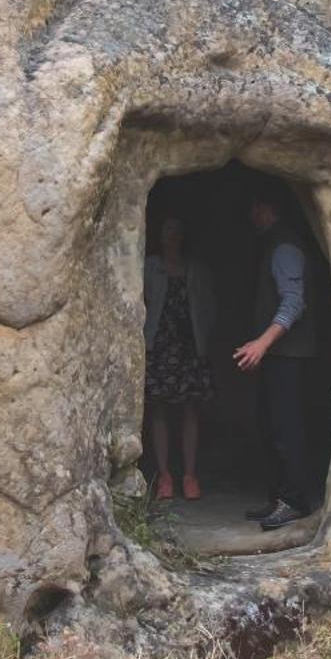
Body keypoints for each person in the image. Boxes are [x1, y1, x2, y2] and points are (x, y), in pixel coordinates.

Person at [233, 191, 318, 530]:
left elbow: (294, 302)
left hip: (289, 356)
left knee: (287, 429)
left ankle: (295, 501)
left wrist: (261, 344)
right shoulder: (274, 245)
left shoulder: (284, 248)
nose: (251, 215)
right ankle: (281, 497)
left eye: (254, 207)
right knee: (272, 426)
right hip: (280, 355)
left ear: (265, 207)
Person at [143, 214, 216, 501]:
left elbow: (209, 304)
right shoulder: (150, 266)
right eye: (167, 229)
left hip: (189, 345)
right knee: (158, 410)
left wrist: (205, 339)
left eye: (177, 229)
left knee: (190, 410)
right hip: (159, 345)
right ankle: (164, 476)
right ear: (160, 235)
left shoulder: (196, 268)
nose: (172, 234)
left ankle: (189, 474)